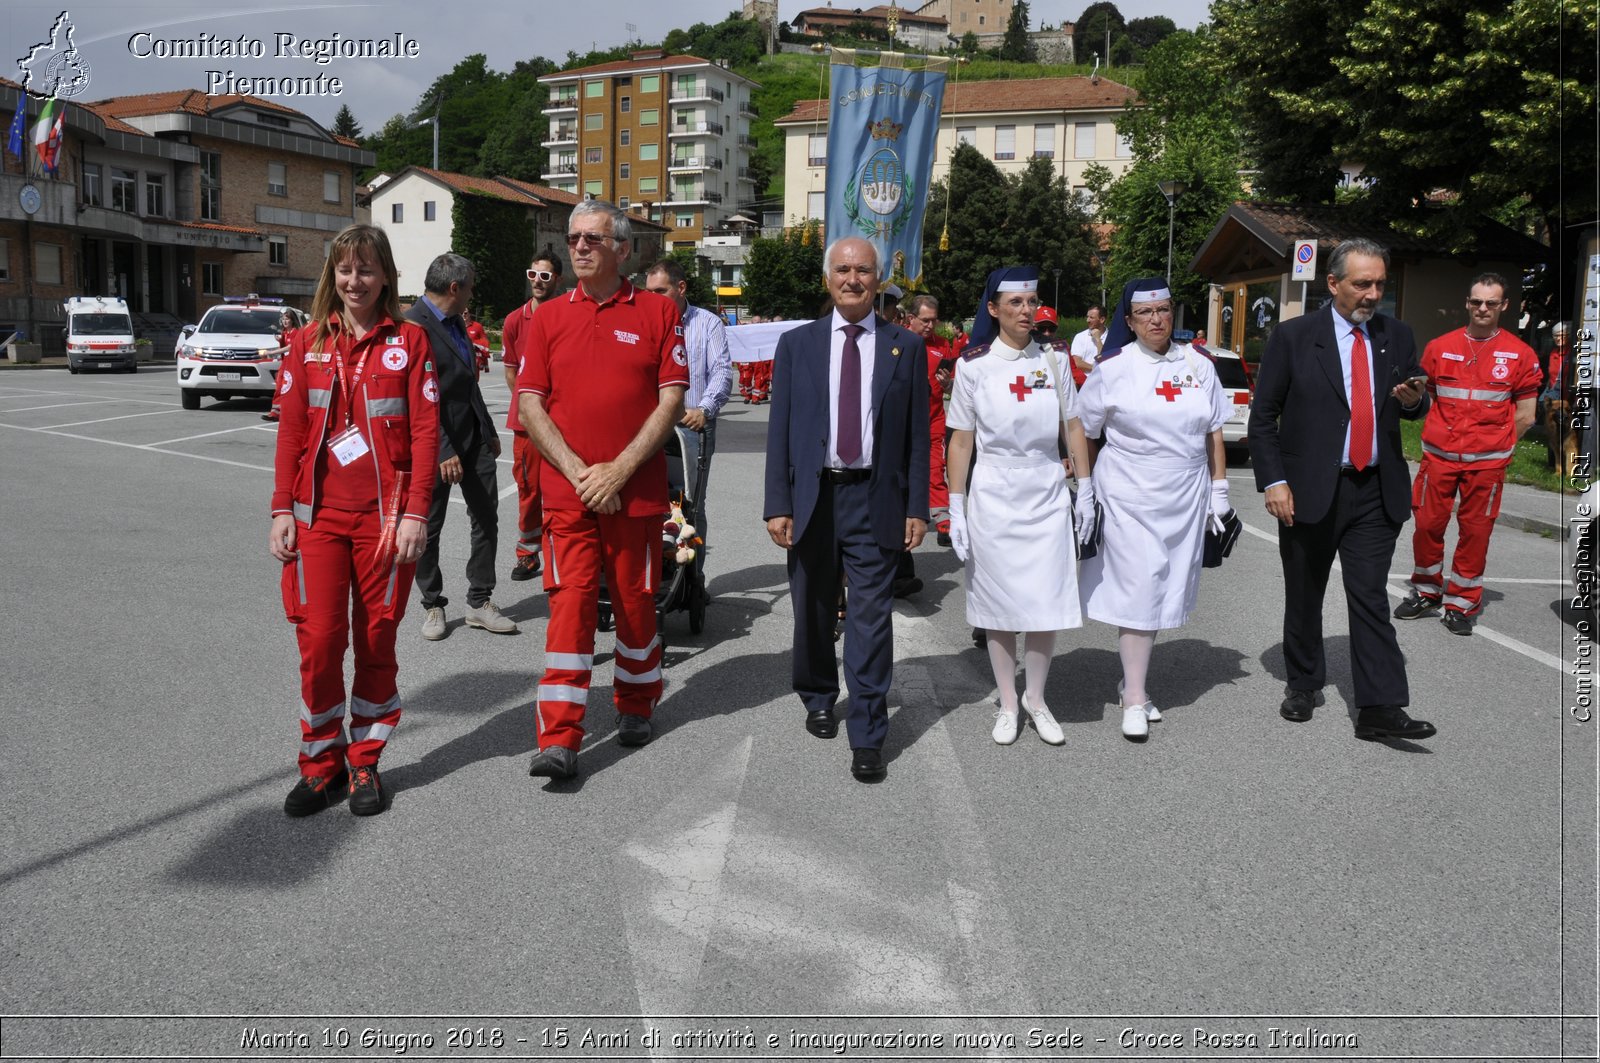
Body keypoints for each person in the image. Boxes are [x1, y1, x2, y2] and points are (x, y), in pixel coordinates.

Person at [268, 223, 440, 817]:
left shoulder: (411, 342)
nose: (355, 280)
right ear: (331, 275)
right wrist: (279, 510)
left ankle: (364, 761)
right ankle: (321, 766)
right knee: (318, 643)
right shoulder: (306, 343)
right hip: (317, 520)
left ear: (386, 275)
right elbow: (290, 434)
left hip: (386, 523)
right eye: (345, 269)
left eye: (366, 269)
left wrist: (417, 511)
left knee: (374, 640)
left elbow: (425, 433)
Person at [517, 200, 688, 781]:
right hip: (569, 495)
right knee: (570, 608)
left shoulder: (658, 314)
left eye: (593, 238)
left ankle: (637, 702)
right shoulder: (547, 317)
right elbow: (529, 404)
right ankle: (560, 736)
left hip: (634, 494)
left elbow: (671, 400)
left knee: (636, 604)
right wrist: (579, 472)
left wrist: (618, 469)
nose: (580, 247)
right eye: (573, 238)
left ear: (623, 248)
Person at [1248, 237, 1436, 742]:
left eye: (1379, 283)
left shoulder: (1396, 335)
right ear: (1333, 284)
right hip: (1309, 487)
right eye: (1362, 284)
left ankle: (1379, 706)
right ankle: (1303, 683)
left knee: (1370, 596)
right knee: (1305, 593)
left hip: (1375, 488)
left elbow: (1412, 406)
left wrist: (1416, 401)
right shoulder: (1294, 337)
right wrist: (1275, 481)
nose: (1373, 293)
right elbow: (1263, 417)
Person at [763, 236, 930, 781]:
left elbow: (914, 438)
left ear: (878, 278)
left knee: (870, 620)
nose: (852, 279)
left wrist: (917, 506)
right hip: (814, 498)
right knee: (812, 608)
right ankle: (816, 693)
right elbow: (781, 432)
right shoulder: (797, 345)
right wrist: (777, 503)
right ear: (827, 278)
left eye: (863, 270)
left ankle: (868, 731)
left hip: (874, 497)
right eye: (842, 270)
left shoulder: (906, 345)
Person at [1074, 278, 1232, 741]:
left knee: (1163, 587)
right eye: (1146, 313)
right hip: (1129, 493)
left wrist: (1219, 489)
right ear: (1129, 321)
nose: (1157, 320)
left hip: (1184, 494)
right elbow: (1085, 429)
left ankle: (1132, 678)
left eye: (1163, 310)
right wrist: (1085, 488)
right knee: (1142, 587)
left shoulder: (1198, 365)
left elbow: (1214, 430)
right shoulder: (1113, 368)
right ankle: (1136, 696)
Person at [946, 266, 1092, 746]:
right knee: (1000, 604)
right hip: (994, 490)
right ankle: (1009, 702)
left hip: (1046, 487)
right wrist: (956, 503)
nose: (1027, 311)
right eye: (1015, 304)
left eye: (1031, 302)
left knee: (1045, 602)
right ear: (993, 310)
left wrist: (1086, 487)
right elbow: (962, 441)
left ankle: (1038, 697)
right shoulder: (974, 365)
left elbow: (1073, 426)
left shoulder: (1053, 358)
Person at [1394, 273, 1540, 635]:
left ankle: (1461, 602)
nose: (1483, 309)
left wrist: (1502, 447)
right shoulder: (1439, 347)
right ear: (1467, 303)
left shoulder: (1520, 354)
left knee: (1475, 534)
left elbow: (1526, 414)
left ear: (1504, 306)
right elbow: (1422, 395)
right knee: (1427, 526)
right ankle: (1427, 591)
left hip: (1487, 465)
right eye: (1476, 301)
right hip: (1438, 459)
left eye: (1491, 303)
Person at [406, 254, 518, 641]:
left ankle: (479, 601)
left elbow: (468, 385)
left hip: (473, 439)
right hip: (434, 443)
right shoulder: (410, 326)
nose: (473, 292)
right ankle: (432, 604)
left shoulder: (456, 323)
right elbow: (415, 397)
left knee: (486, 517)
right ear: (455, 287)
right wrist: (442, 448)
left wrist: (487, 429)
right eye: (470, 286)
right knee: (429, 527)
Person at [643, 257, 732, 546]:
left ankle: (692, 583)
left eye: (660, 291)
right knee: (649, 500)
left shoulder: (707, 323)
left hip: (693, 428)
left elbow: (721, 370)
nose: (652, 299)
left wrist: (704, 409)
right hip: (650, 428)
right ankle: (657, 573)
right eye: (649, 292)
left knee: (690, 505)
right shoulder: (642, 323)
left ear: (681, 287)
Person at [502, 254, 564, 582]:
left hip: (564, 420)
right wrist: (531, 407)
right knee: (528, 488)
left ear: (558, 279)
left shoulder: (568, 314)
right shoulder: (515, 320)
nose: (538, 280)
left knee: (564, 488)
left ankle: (561, 551)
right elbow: (511, 373)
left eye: (545, 275)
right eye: (533, 274)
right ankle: (527, 554)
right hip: (527, 423)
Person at [907, 294, 954, 544]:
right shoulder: (895, 340)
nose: (930, 326)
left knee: (936, 469)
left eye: (934, 321)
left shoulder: (943, 345)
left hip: (934, 419)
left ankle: (943, 521)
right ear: (911, 318)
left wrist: (948, 385)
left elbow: (953, 387)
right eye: (925, 320)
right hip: (903, 422)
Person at [1069, 303, 1107, 386]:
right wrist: (1096, 368)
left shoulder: (1112, 337)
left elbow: (1106, 361)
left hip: (1105, 383)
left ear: (1102, 319)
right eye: (1087, 317)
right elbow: (1077, 363)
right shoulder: (1080, 337)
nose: (1087, 320)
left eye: (1091, 317)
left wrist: (1098, 340)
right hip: (1084, 384)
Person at [464, 310, 491, 376]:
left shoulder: (477, 326)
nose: (463, 314)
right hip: (460, 358)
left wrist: (475, 344)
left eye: (465, 313)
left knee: (474, 380)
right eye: (461, 312)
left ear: (469, 314)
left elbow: (484, 341)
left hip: (474, 359)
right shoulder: (455, 325)